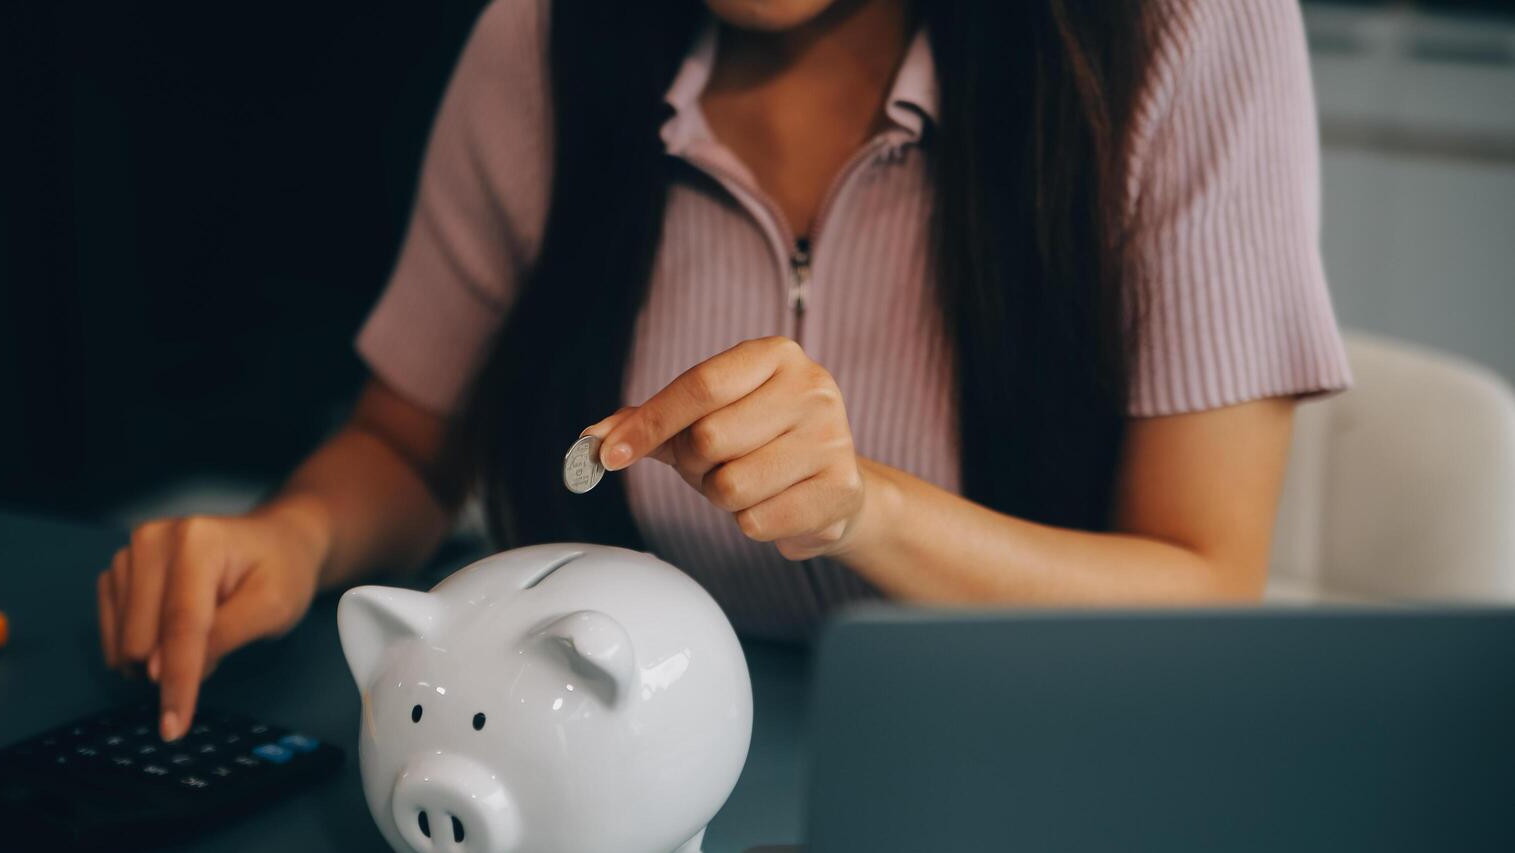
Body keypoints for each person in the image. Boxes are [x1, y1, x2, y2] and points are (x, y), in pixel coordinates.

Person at [97, 0, 1350, 741]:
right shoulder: (540, 41)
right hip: (593, 758)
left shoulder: (1179, 33)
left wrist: (866, 507)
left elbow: (1199, 589)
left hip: (1024, 772)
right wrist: (296, 535)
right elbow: (414, 444)